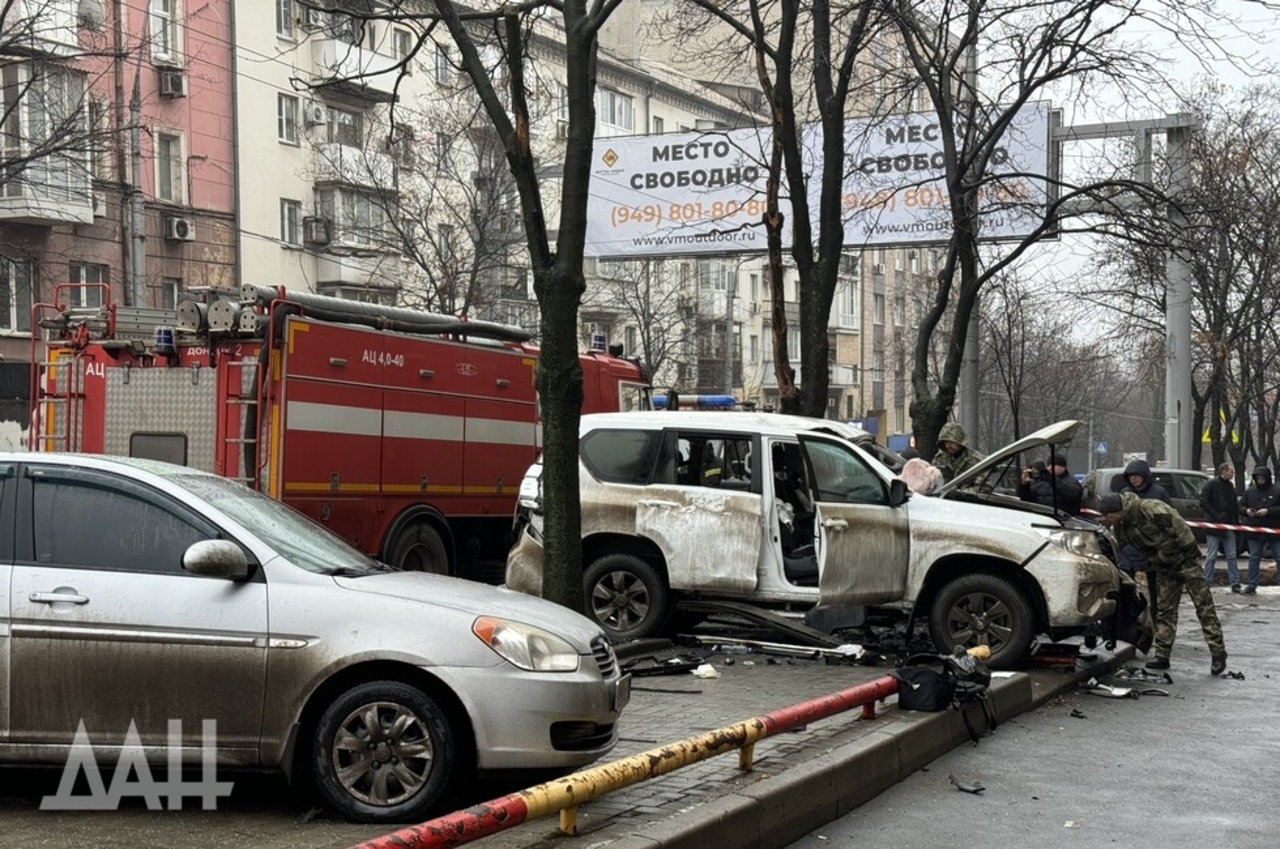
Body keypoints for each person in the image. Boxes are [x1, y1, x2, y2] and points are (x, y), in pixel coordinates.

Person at [1097, 492, 1227, 675]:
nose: (1106, 519)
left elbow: (1179, 525)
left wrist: (1190, 554)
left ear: (1117, 511)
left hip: (1186, 562)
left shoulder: (1149, 508)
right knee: (1165, 610)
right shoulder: (1122, 526)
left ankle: (1218, 653)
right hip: (1164, 567)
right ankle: (1162, 655)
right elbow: (1117, 545)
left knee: (1204, 607)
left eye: (1107, 515)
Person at [1199, 462, 1241, 592]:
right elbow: (1203, 502)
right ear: (1223, 471)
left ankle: (1235, 582)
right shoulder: (1211, 484)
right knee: (1212, 555)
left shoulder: (1229, 486)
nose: (1232, 474)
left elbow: (1233, 505)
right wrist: (1216, 516)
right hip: (1214, 525)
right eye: (1230, 471)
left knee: (1232, 555)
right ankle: (1207, 581)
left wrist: (1236, 522)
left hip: (1227, 524)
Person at [1240, 466, 1280, 595]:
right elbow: (1241, 505)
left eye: (1262, 478)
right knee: (1254, 558)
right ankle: (1252, 585)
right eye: (1258, 478)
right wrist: (1247, 511)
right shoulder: (1250, 492)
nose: (1260, 480)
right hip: (1255, 530)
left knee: (1279, 557)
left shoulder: (1277, 490)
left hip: (1274, 530)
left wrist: (1268, 511)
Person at [1018, 453, 1084, 515]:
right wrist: (1024, 484)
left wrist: (1050, 478)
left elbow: (1071, 494)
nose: (1050, 468)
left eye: (1054, 465)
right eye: (1048, 465)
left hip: (1064, 521)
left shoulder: (1071, 481)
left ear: (1063, 467)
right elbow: (1026, 500)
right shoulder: (1040, 482)